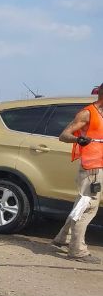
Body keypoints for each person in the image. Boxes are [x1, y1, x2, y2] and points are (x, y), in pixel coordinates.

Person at [51, 84, 103, 264]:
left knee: (81, 203)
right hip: (91, 168)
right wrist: (78, 139)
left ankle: (63, 238)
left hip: (99, 167)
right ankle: (77, 250)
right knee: (88, 206)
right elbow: (64, 135)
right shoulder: (87, 113)